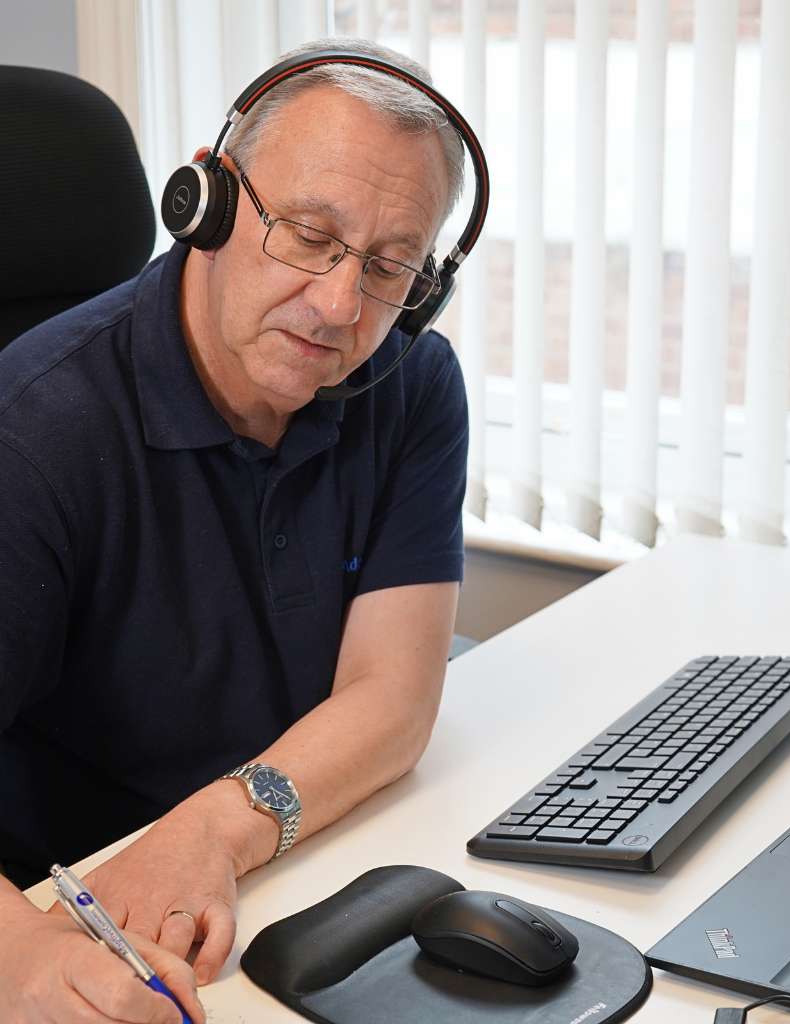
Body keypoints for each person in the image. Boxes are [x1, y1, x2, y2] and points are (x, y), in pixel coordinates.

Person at [0, 36, 476, 1023]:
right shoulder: (35, 432)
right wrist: (23, 958)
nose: (341, 306)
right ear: (206, 202)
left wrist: (219, 823)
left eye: (389, 267)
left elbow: (395, 696)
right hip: (82, 908)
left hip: (280, 882)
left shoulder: (411, 383)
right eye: (309, 234)